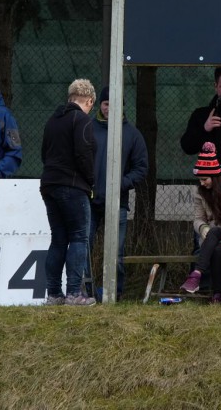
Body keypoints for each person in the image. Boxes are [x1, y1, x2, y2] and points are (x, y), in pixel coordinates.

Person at [88, 85, 148, 302]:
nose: (109, 108)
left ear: (122, 106)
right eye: (106, 104)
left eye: (114, 104)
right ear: (100, 105)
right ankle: (86, 290)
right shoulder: (87, 129)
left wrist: (120, 184)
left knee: (117, 251)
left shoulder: (132, 134)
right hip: (89, 201)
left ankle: (116, 292)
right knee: (84, 246)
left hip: (118, 202)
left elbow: (141, 168)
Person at [40, 78, 97, 306]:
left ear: (70, 97)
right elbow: (84, 153)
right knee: (79, 237)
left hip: (49, 184)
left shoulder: (52, 121)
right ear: (89, 101)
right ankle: (74, 293)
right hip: (73, 185)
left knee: (58, 239)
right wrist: (91, 181)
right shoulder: (82, 120)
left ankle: (54, 294)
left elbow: (44, 153)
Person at [180, 143, 221, 303]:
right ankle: (217, 294)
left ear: (215, 177)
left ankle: (196, 274)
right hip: (212, 236)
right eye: (199, 179)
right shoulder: (199, 191)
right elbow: (198, 218)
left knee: (215, 233)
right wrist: (203, 228)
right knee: (216, 248)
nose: (201, 183)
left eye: (204, 179)